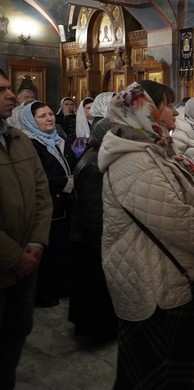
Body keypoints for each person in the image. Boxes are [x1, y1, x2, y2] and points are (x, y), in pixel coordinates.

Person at [99, 81, 194, 388]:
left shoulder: (155, 149)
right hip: (154, 288)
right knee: (157, 376)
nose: (175, 113)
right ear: (147, 111)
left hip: (166, 281)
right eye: (167, 105)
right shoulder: (135, 161)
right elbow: (176, 219)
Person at [0, 68, 52, 390]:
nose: (10, 95)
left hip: (26, 267)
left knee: (15, 335)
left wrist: (36, 243)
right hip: (6, 265)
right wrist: (15, 257)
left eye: (9, 88)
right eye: (1, 90)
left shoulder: (19, 139)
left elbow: (42, 192)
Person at [18, 101, 77, 308]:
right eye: (42, 116)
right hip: (46, 206)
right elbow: (37, 178)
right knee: (46, 251)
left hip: (64, 205)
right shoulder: (30, 144)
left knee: (61, 248)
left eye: (50, 114)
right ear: (31, 120)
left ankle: (60, 286)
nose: (49, 118)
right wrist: (66, 182)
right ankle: (43, 292)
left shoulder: (58, 139)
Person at [69, 116, 118, 342]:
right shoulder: (93, 163)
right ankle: (98, 330)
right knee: (93, 288)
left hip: (94, 236)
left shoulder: (98, 157)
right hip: (91, 239)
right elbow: (92, 212)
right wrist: (102, 245)